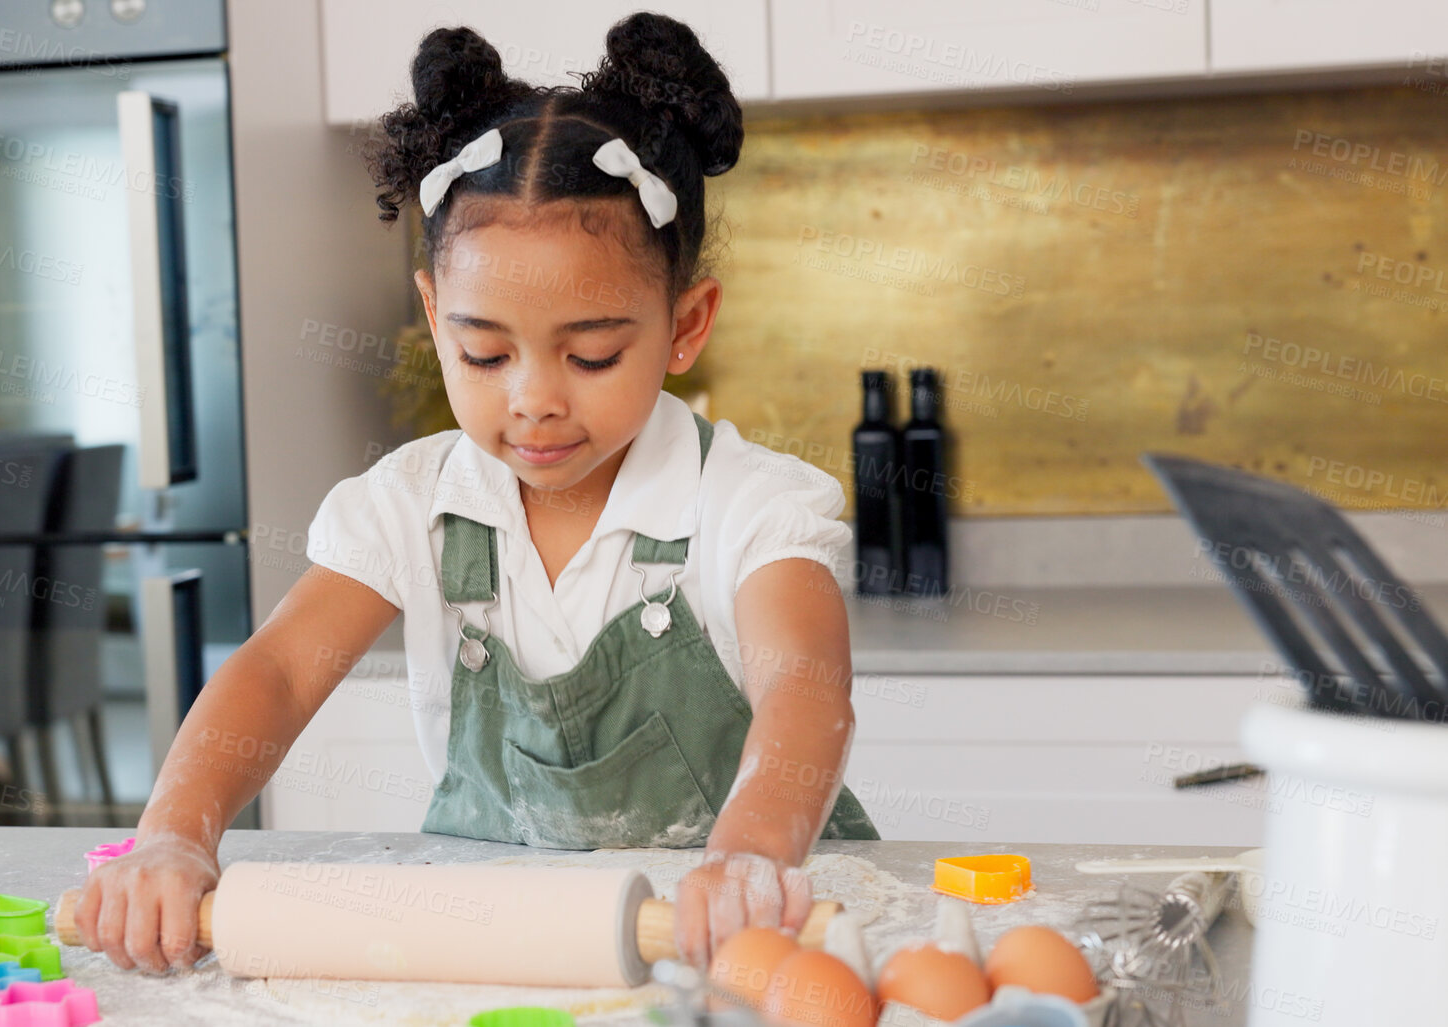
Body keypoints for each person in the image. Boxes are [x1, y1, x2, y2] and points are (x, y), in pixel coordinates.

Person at [76, 11, 877, 980]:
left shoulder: (747, 502)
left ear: (685, 325)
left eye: (591, 353)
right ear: (432, 315)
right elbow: (279, 672)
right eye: (484, 352)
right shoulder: (414, 502)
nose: (534, 398)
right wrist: (172, 836)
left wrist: (750, 857)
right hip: (518, 949)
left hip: (754, 942)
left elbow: (806, 686)